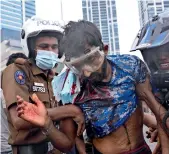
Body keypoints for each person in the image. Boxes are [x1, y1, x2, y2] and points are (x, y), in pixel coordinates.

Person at [17, 20, 169, 154]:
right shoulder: (70, 89)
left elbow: (158, 111)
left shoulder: (131, 66)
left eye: (91, 60)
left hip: (141, 150)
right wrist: (47, 124)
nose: (87, 72)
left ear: (105, 49)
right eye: (78, 66)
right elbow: (66, 143)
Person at [1, 16, 84, 154]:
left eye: (54, 47)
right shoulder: (18, 71)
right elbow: (19, 120)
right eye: (44, 46)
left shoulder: (57, 79)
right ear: (32, 49)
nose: (50, 51)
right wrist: (70, 110)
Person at [131, 10, 169, 153]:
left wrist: (148, 97)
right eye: (156, 52)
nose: (162, 57)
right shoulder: (160, 85)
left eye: (167, 49)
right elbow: (162, 122)